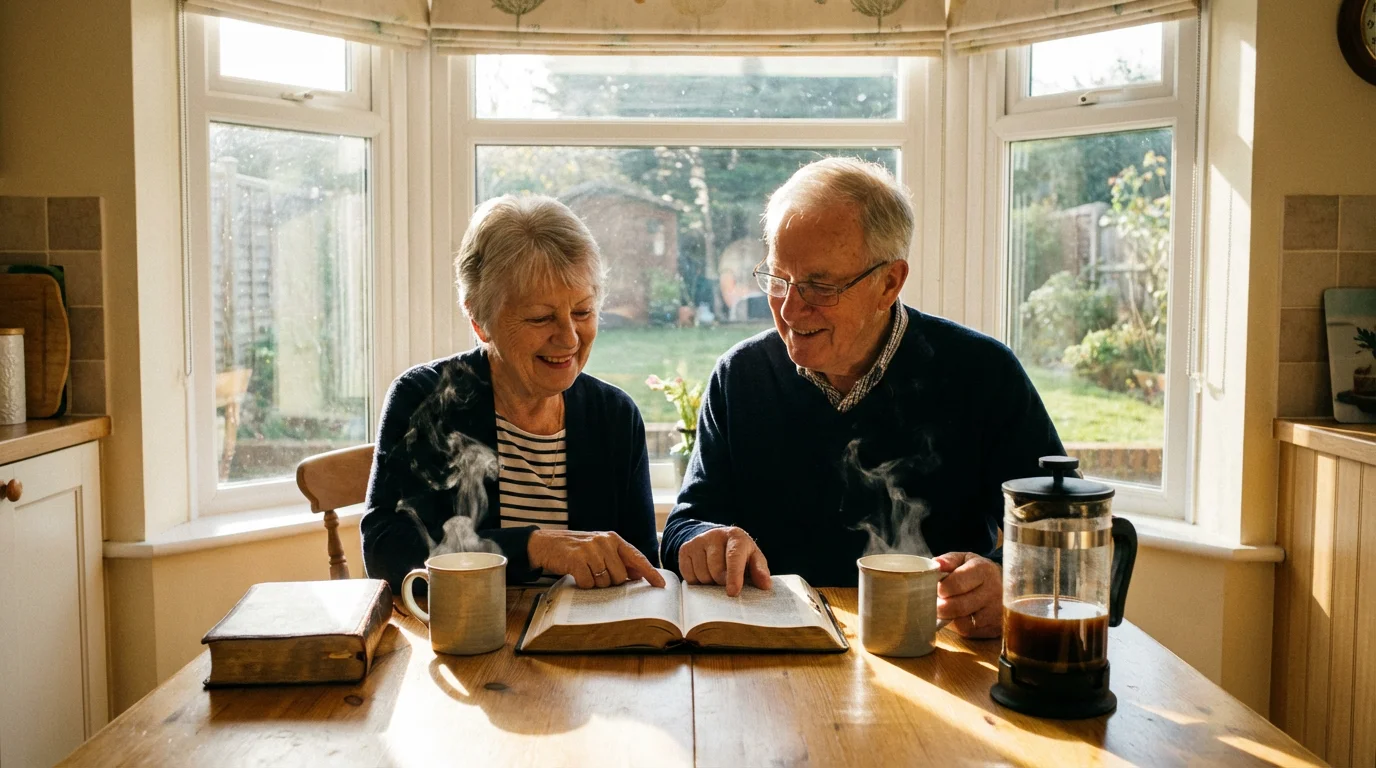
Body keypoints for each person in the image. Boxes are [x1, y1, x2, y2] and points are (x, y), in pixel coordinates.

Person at [660, 158, 1064, 637]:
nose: (790, 309)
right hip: (772, 649)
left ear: (889, 283)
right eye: (778, 278)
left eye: (819, 287)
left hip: (935, 649)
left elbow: (1058, 527)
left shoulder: (982, 373)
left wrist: (1008, 578)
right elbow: (687, 523)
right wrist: (705, 539)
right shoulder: (741, 376)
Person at [362, 195, 666, 593]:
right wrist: (533, 547)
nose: (569, 338)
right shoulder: (427, 398)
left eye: (583, 312)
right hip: (472, 629)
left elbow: (640, 566)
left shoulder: (614, 416)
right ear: (480, 320)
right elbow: (386, 552)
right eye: (541, 318)